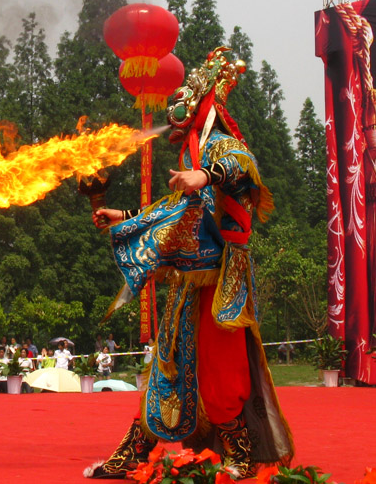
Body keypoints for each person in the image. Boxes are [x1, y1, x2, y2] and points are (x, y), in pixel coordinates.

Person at [85, 48, 294, 479]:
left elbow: (243, 164)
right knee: (167, 365)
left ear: (201, 105)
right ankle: (134, 453)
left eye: (184, 104)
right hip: (187, 283)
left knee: (222, 373)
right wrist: (123, 217)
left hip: (221, 282)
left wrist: (206, 175)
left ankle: (238, 455)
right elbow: (172, 210)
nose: (174, 115)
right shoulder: (189, 155)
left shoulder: (219, 146)